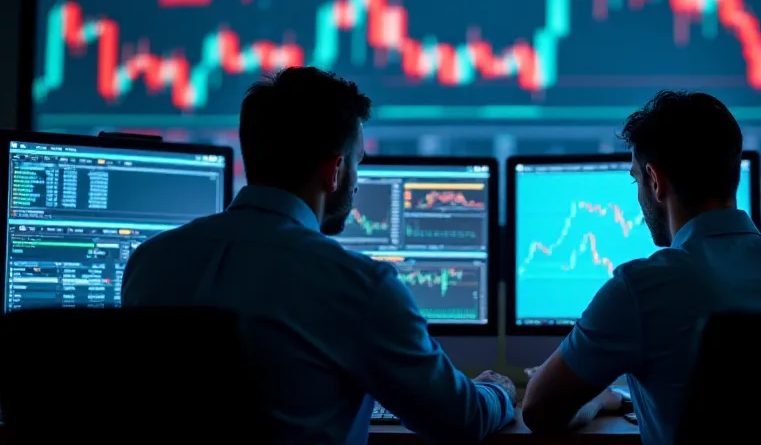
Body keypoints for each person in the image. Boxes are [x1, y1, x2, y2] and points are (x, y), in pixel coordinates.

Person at [122, 67, 516, 444]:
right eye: (357, 163)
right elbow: (462, 421)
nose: (357, 183)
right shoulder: (359, 285)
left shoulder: (149, 262)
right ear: (335, 170)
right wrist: (498, 391)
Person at [520, 90, 761, 443]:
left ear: (655, 181)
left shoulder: (639, 289)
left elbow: (539, 410)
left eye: (636, 180)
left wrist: (599, 400)